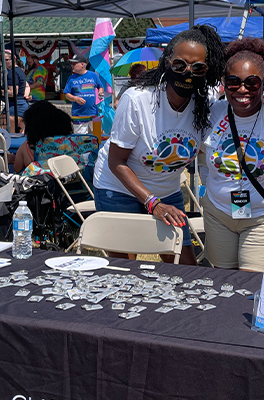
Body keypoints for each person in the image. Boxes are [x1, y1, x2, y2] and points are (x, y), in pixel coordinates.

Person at [93, 25, 226, 264]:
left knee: (184, 263)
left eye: (198, 68)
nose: (187, 73)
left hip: (167, 190)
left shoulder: (204, 105)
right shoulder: (137, 100)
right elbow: (116, 162)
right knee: (124, 267)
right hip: (118, 187)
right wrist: (152, 203)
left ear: (207, 71)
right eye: (179, 65)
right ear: (166, 63)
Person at [200, 37, 264, 272]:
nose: (242, 90)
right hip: (218, 214)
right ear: (224, 83)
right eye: (234, 82)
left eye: (252, 83)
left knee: (251, 285)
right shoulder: (211, 113)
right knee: (222, 283)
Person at [13, 100, 73, 173]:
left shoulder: (27, 147)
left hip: (40, 182)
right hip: (69, 180)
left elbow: (17, 169)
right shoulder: (71, 144)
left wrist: (12, 158)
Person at [63, 55, 104, 134]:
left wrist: (100, 92)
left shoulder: (93, 75)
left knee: (98, 135)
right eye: (71, 64)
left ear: (82, 64)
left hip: (94, 113)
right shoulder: (71, 78)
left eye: (74, 64)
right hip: (78, 114)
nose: (72, 66)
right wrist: (76, 99)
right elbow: (67, 94)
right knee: (80, 140)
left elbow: (100, 86)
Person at [1, 50, 28, 133]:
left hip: (14, 108)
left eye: (5, 60)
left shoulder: (12, 73)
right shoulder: (20, 71)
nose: (2, 62)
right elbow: (27, 86)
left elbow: (13, 92)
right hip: (23, 107)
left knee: (9, 136)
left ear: (11, 60)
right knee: (21, 136)